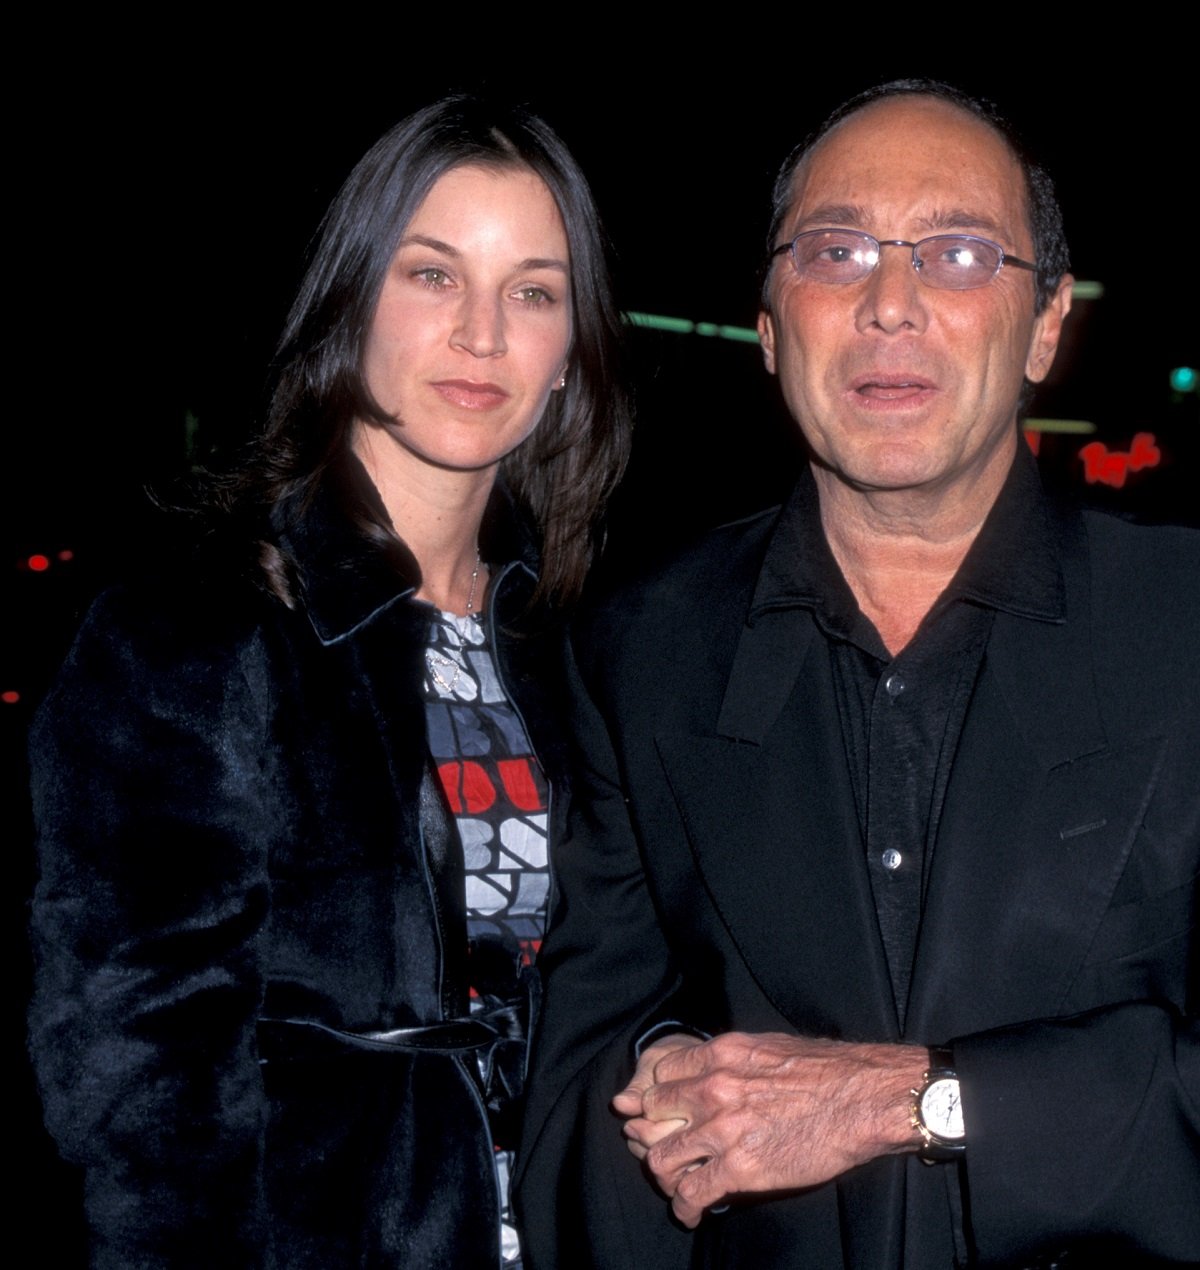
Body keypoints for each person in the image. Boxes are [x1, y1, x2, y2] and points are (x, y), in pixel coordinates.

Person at [516, 81, 1199, 1268]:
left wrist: (922, 1098)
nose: (891, 304)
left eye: (958, 252)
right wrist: (657, 1083)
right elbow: (578, 1083)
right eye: (837, 252)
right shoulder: (638, 653)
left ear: (1044, 325)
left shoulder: (1185, 622)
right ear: (774, 327)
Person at [29, 95, 631, 1269]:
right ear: (351, 298)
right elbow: (138, 1080)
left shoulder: (582, 650)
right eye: (431, 275)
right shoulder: (192, 632)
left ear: (570, 358)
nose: (482, 335)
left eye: (534, 291)